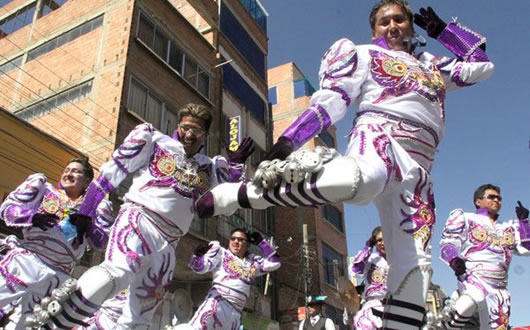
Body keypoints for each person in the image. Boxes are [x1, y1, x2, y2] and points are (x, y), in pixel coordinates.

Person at [195, 1, 494, 328]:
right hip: (380, 138)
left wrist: (444, 32)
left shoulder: (434, 68)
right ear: (374, 30)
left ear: (411, 26)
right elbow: (331, 104)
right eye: (384, 22)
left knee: (415, 272)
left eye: (399, 19)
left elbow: (481, 66)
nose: (392, 25)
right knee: (356, 181)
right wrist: (287, 142)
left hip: (419, 170)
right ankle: (240, 193)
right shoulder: (363, 55)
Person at [29, 103, 255, 329]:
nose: (189, 134)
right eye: (186, 127)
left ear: (204, 135)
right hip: (138, 220)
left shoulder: (210, 167)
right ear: (178, 126)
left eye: (196, 131)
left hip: (169, 243)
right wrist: (86, 212)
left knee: (140, 317)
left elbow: (228, 200)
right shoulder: (154, 141)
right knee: (115, 274)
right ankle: (53, 324)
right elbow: (112, 172)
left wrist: (235, 164)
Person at [0, 158, 114, 329]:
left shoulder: (97, 209)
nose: (68, 173)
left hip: (55, 279)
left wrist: (88, 225)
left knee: (24, 324)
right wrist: (32, 217)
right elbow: (7, 210)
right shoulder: (44, 190)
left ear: (87, 182)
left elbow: (102, 242)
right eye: (67, 169)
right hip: (26, 262)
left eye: (76, 171)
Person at [435, 184, 530, 329]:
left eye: (499, 198)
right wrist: (454, 260)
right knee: (465, 307)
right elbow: (447, 243)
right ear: (478, 201)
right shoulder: (466, 218)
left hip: (500, 290)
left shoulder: (508, 229)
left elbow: (526, 248)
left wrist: (524, 223)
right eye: (491, 197)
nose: (496, 200)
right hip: (473, 281)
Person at [167, 228, 280, 329]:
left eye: (240, 240)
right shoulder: (221, 253)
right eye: (233, 239)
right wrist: (198, 255)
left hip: (236, 312)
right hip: (219, 302)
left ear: (248, 245)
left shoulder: (252, 263)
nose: (236, 242)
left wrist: (261, 243)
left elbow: (275, 262)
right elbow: (200, 268)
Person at [351, 226, 388, 329]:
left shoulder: (398, 259)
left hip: (395, 305)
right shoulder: (370, 259)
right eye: (379, 240)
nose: (383, 243)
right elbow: (356, 268)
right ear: (374, 242)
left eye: (386, 238)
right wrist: (368, 248)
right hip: (373, 306)